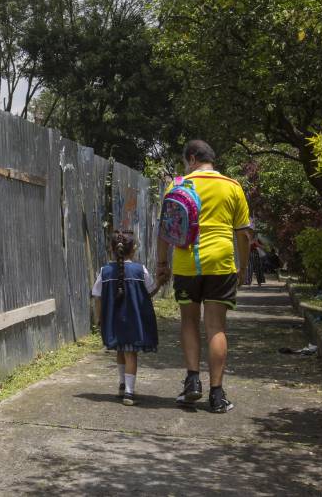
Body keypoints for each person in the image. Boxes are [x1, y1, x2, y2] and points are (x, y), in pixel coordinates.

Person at [156, 140, 251, 413]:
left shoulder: (177, 185)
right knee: (216, 327)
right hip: (221, 264)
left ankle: (193, 382)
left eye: (186, 162)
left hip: (187, 263)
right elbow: (243, 234)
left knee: (188, 321)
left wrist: (163, 263)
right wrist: (242, 267)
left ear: (193, 158)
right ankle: (217, 395)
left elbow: (165, 230)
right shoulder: (232, 186)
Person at [92, 230, 158, 406]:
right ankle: (129, 392)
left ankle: (122, 385)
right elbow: (150, 291)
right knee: (131, 354)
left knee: (120, 351)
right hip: (133, 321)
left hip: (113, 321)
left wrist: (98, 319)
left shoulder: (104, 272)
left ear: (111, 249)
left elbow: (97, 297)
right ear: (133, 249)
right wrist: (161, 281)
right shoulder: (139, 270)